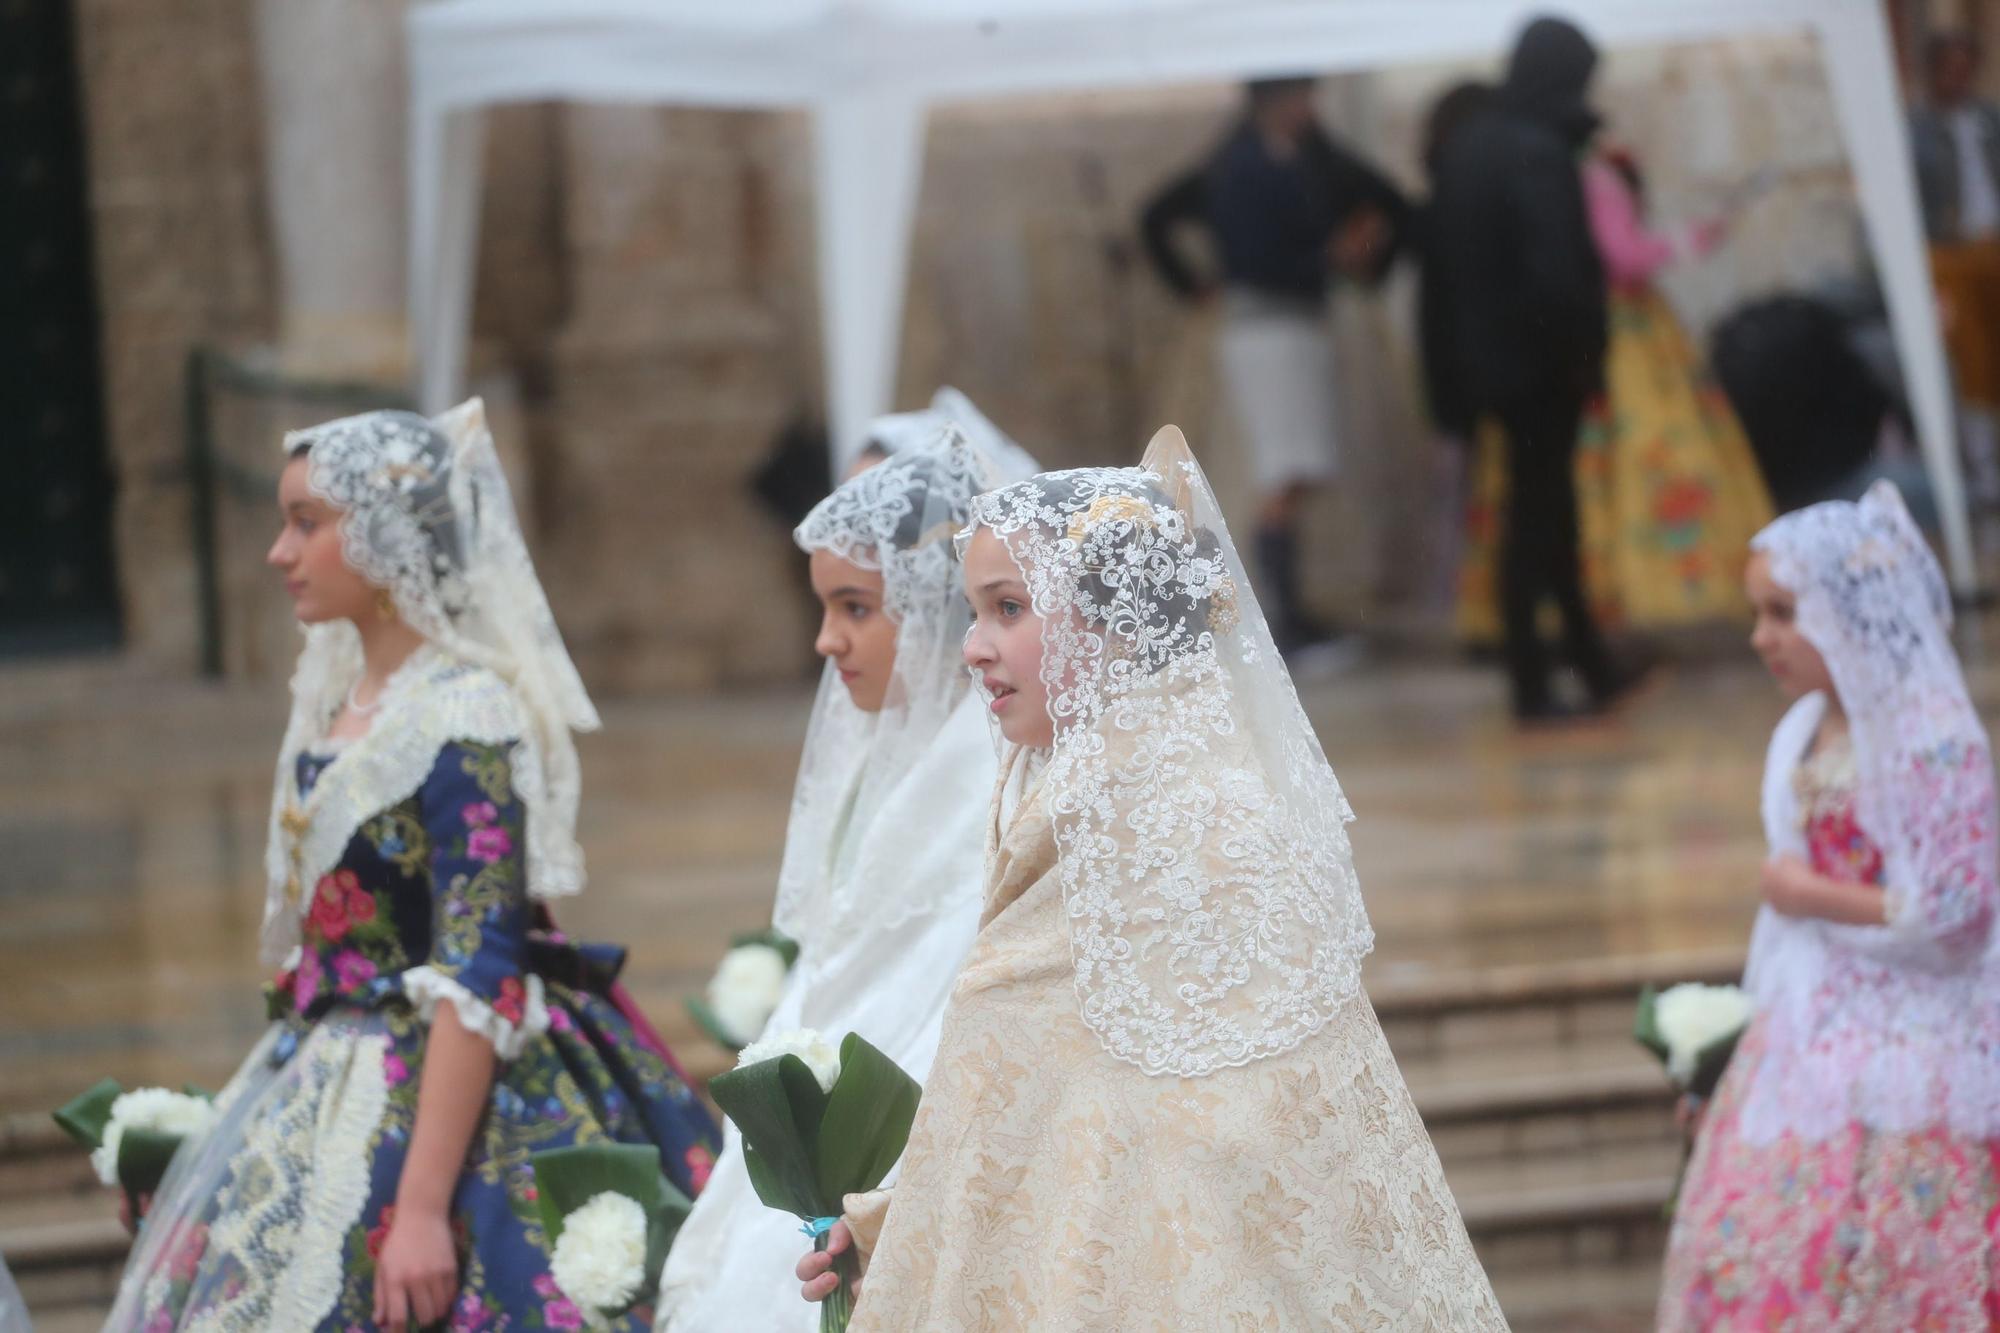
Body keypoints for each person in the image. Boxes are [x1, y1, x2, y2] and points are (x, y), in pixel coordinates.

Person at [796, 426, 1505, 1328]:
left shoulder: (1144, 808)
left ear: (1110, 621)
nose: (974, 646)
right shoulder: (1120, 783)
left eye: (1009, 608)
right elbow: (1032, 1101)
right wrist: (893, 1226)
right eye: (976, 612)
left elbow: (1203, 1125)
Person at [105, 401, 718, 1332]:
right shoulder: (337, 704)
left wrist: (423, 1208)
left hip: (444, 1093)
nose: (280, 552)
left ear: (385, 534)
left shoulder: (467, 714)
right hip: (318, 1072)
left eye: (307, 524)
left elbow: (481, 969)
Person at [657, 424, 1029, 1330]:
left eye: (856, 608)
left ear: (935, 603)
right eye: (824, 608)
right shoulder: (870, 761)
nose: (826, 640)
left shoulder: (1004, 773)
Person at [1657, 482, 2000, 1327]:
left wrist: (1813, 894)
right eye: (1758, 613)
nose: (1760, 636)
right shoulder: (1803, 728)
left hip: (1924, 1035)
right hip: (1805, 1026)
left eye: (1781, 613)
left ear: (1846, 614)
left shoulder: (1933, 737)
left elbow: (1960, 912)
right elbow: (1780, 924)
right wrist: (1731, 1039)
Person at [1456, 143, 1775, 640]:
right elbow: (1620, 255)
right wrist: (1689, 240)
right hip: (1617, 334)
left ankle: (1580, 605)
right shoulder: (1592, 177)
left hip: (1573, 334)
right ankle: (1623, 595)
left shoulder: (1532, 171)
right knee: (1639, 454)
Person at [1139, 77, 1408, 659]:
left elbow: (1387, 201)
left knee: (1298, 467)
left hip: (1298, 321)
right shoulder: (1238, 165)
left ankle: (1290, 611)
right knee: (1280, 471)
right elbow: (1161, 218)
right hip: (1264, 327)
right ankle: (1283, 619)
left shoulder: (1310, 157)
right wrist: (1194, 285)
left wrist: (1363, 260)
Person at [1428, 16, 1631, 722]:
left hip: (1491, 369)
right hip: (1540, 369)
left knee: (1544, 514)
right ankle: (1536, 682)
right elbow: (1559, 277)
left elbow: (1442, 277)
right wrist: (1584, 360)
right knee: (1540, 518)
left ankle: (1585, 662)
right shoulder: (1538, 151)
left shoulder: (1471, 145)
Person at [1911, 29, 2000, 517]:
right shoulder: (1918, 129)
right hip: (1951, 251)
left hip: (1994, 245)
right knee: (1972, 362)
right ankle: (1985, 472)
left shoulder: (1988, 121)